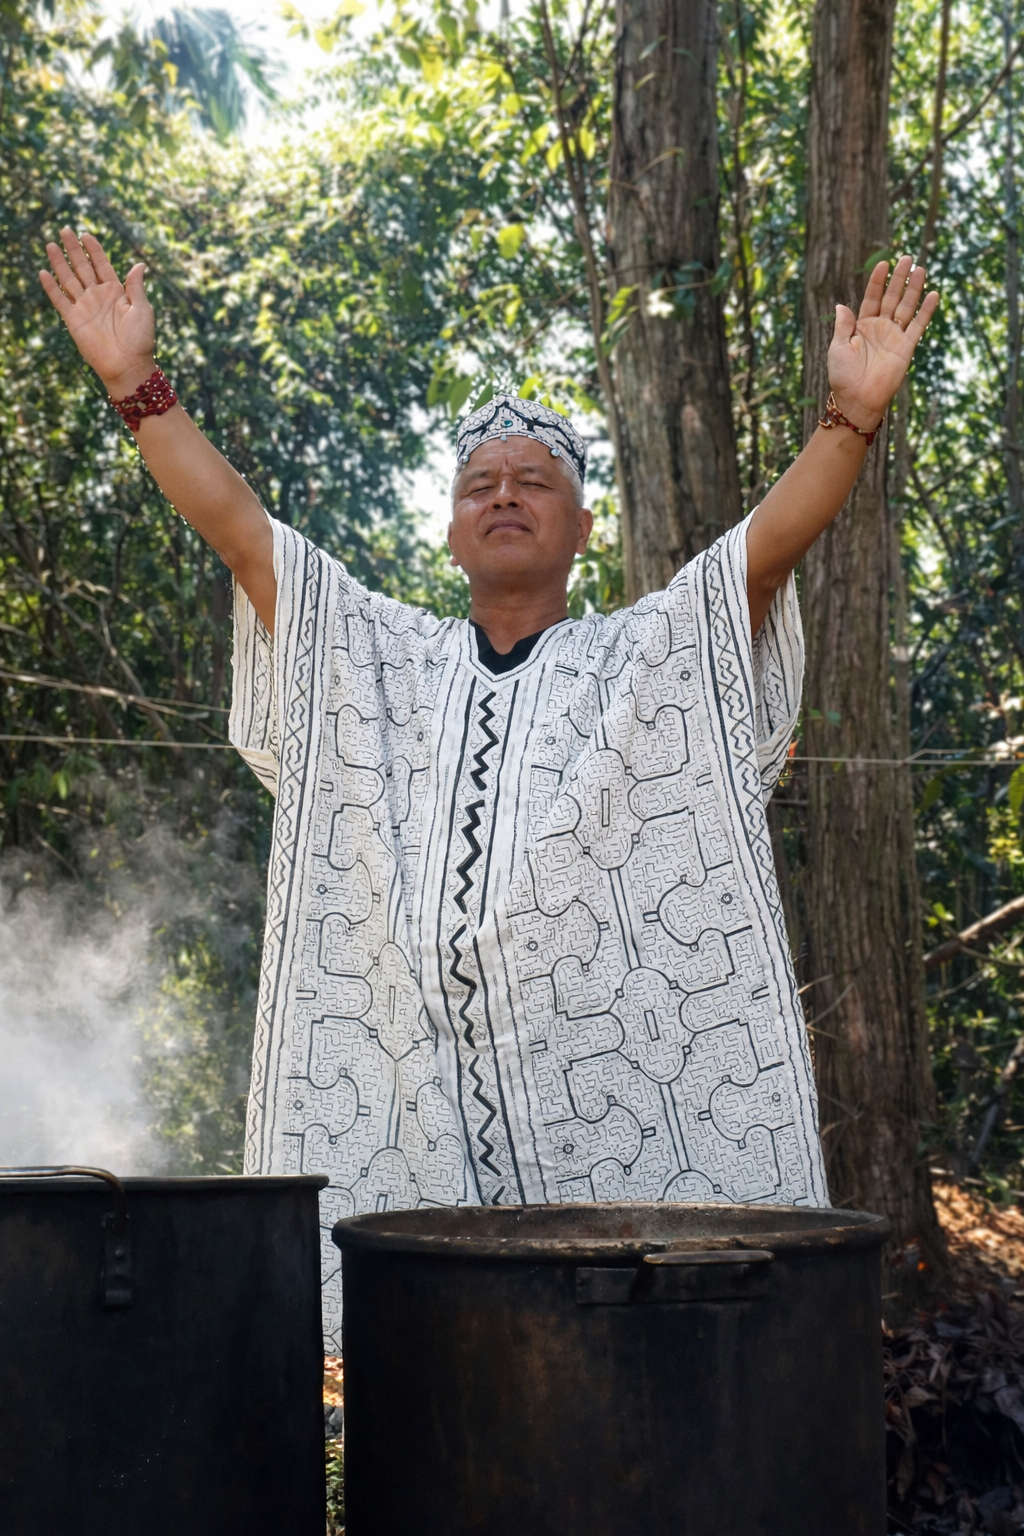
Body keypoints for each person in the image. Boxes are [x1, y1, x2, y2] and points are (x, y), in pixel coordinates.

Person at [41, 229, 938, 1347]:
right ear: (452, 528)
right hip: (416, 1140)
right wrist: (133, 383)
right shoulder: (376, 658)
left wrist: (849, 417)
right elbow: (242, 535)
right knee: (445, 1409)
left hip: (618, 1159)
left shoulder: (645, 657)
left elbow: (764, 551)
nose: (505, 495)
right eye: (481, 484)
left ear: (579, 528)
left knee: (647, 1386)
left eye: (535, 482)